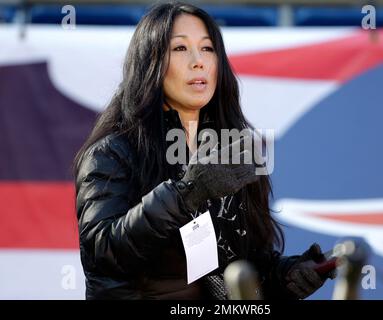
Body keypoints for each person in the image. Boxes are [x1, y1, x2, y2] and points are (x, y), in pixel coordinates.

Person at [73, 2, 334, 300]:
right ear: (150, 62)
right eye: (180, 49)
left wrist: (286, 277)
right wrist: (185, 194)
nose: (198, 61)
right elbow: (103, 253)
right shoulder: (111, 152)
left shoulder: (232, 147)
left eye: (208, 49)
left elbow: (238, 274)